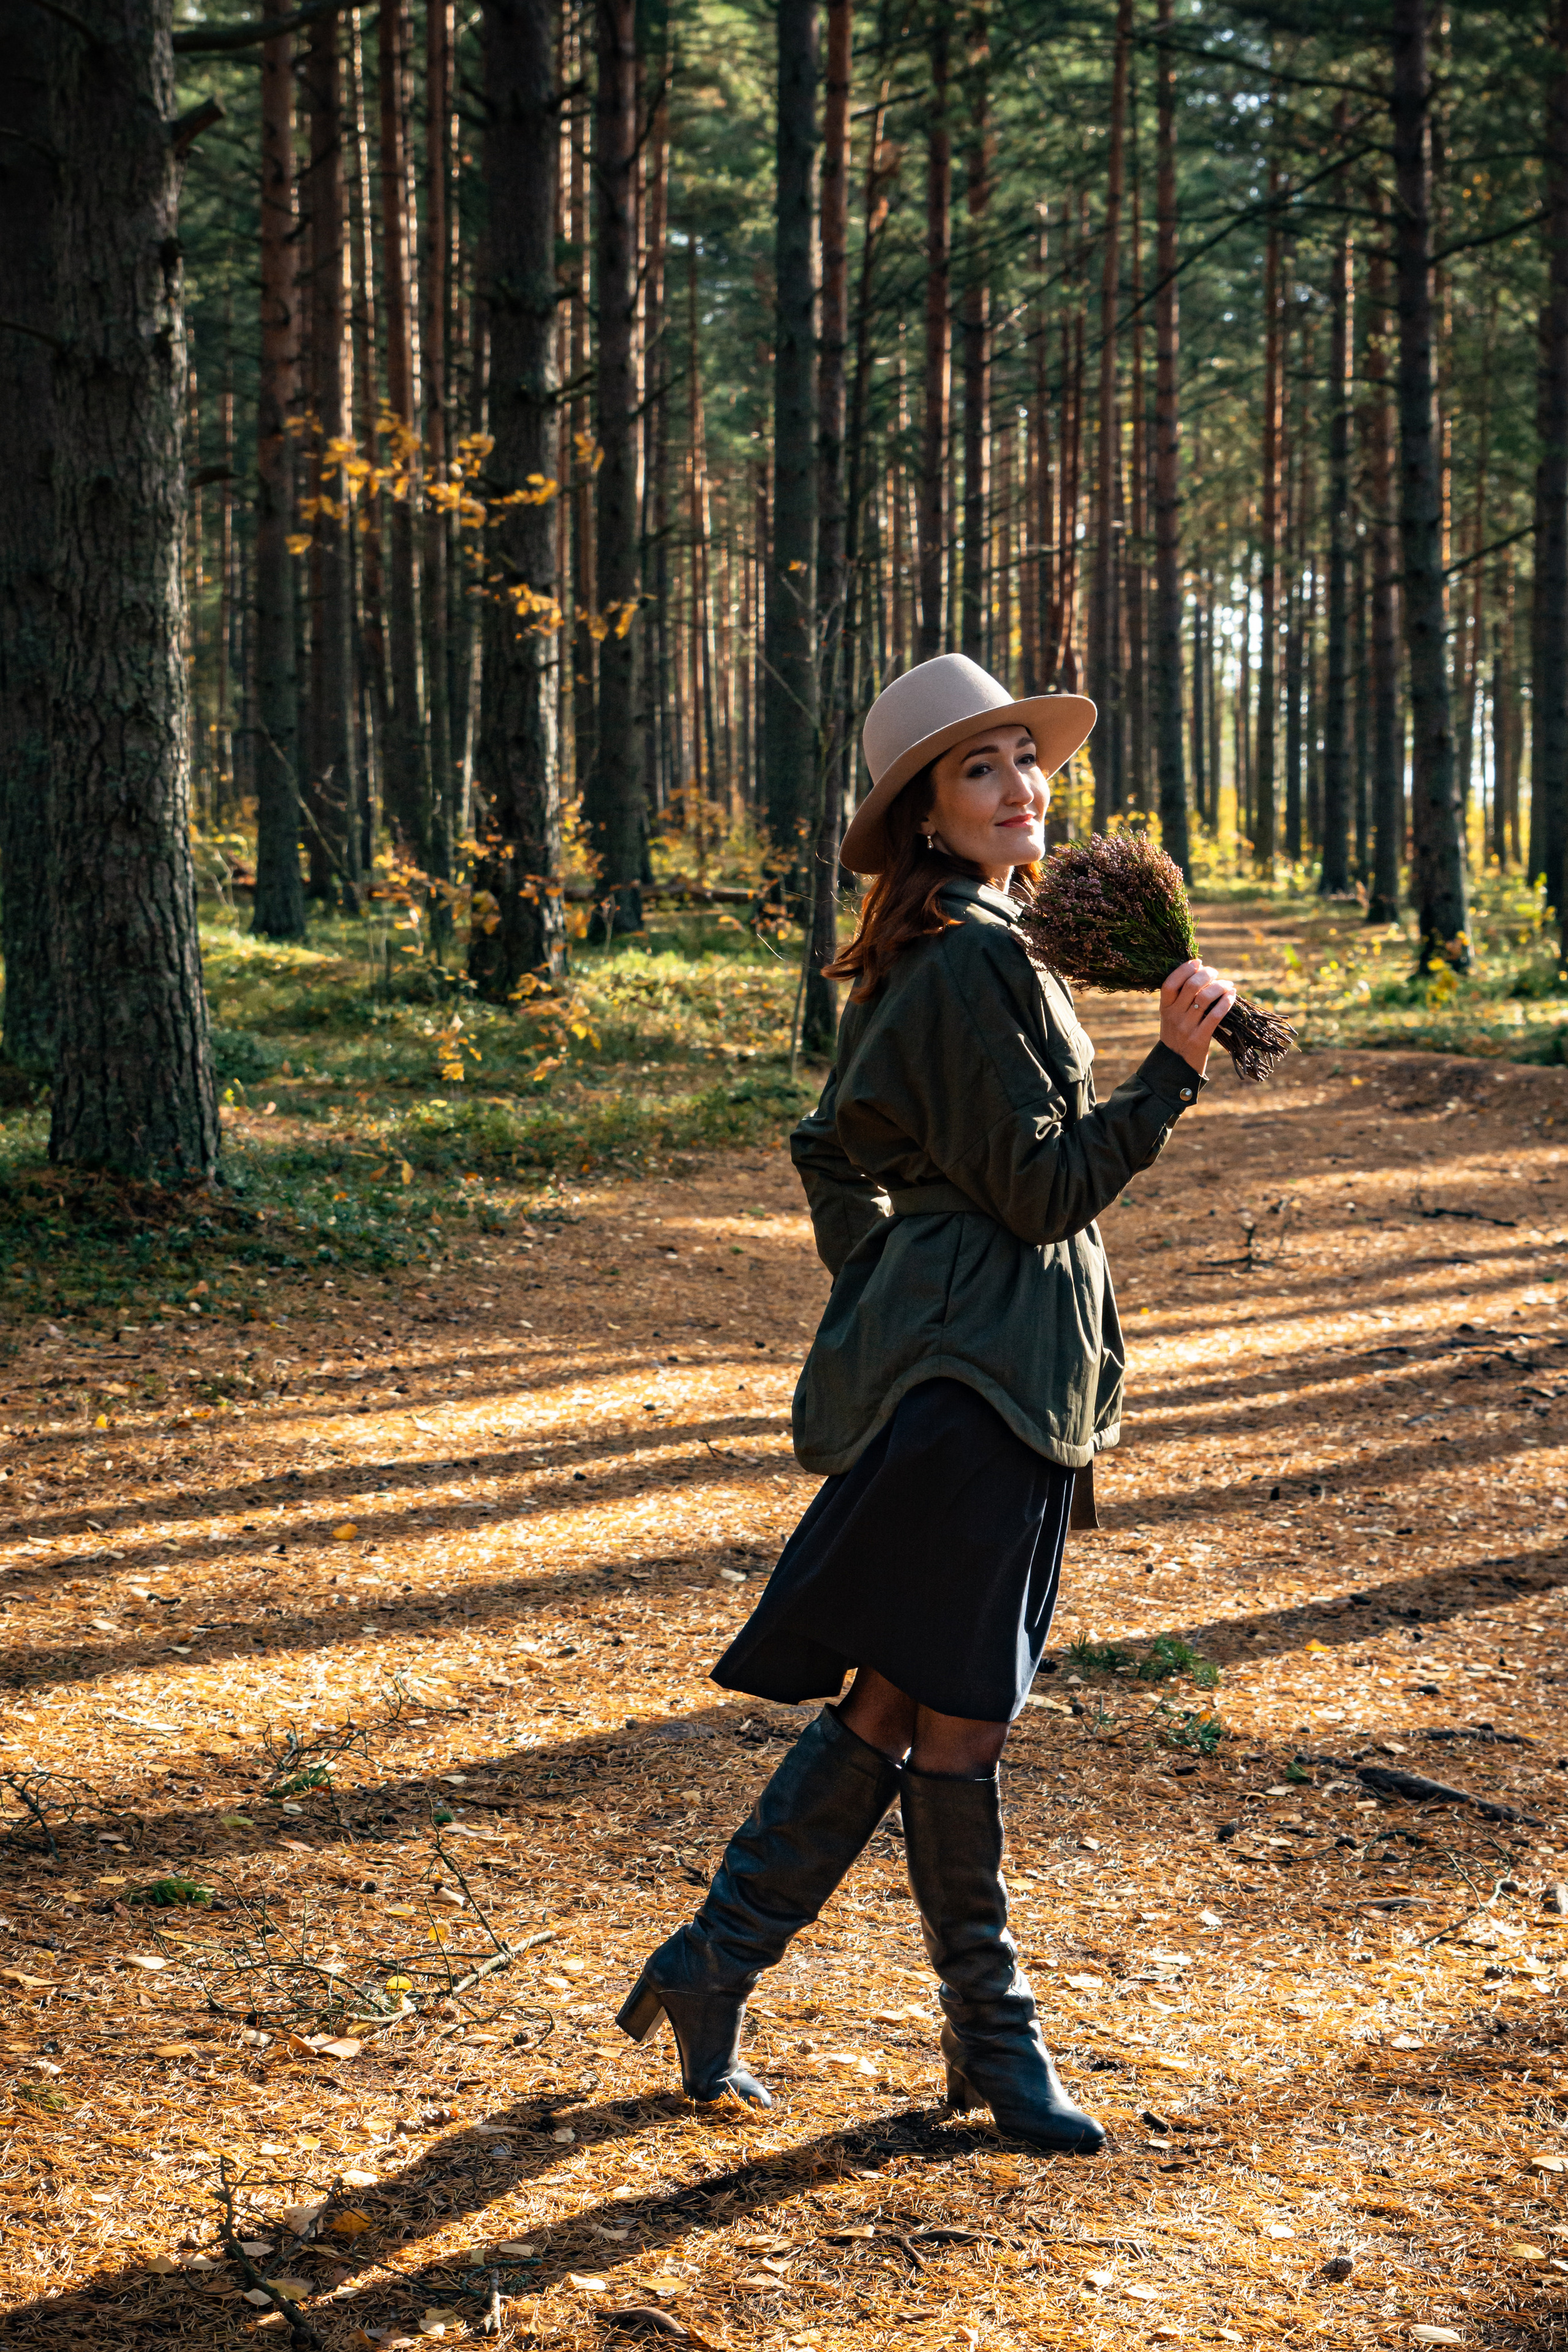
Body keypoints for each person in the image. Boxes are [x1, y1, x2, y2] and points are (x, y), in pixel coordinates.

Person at [619, 653, 1235, 2154]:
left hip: (992, 1379)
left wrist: (898, 1270)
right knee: (956, 1723)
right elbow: (1034, 1192)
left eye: (1026, 757)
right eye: (981, 769)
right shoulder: (963, 959)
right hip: (979, 1389)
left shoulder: (980, 942)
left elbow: (835, 1144)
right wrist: (1167, 1072)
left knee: (904, 1704)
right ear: (922, 813)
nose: (1021, 786)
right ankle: (992, 2043)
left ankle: (716, 1969)